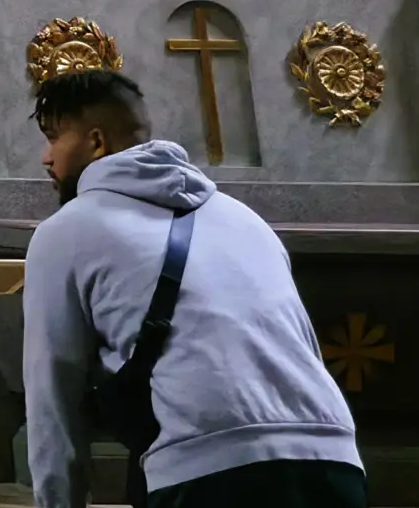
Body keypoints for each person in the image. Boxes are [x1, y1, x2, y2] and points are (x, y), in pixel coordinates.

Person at [20, 67, 365, 508]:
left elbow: (53, 396)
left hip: (209, 473)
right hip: (333, 460)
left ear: (96, 142)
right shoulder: (245, 219)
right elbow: (303, 343)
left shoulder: (64, 231)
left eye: (54, 139)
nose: (46, 158)